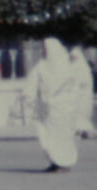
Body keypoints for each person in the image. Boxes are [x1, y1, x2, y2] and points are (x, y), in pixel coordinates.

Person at [30, 38, 84, 170]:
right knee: (49, 137)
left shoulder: (65, 65)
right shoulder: (42, 65)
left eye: (45, 48)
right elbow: (32, 82)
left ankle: (64, 162)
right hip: (48, 109)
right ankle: (55, 161)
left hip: (63, 108)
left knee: (63, 137)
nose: (43, 51)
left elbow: (73, 86)